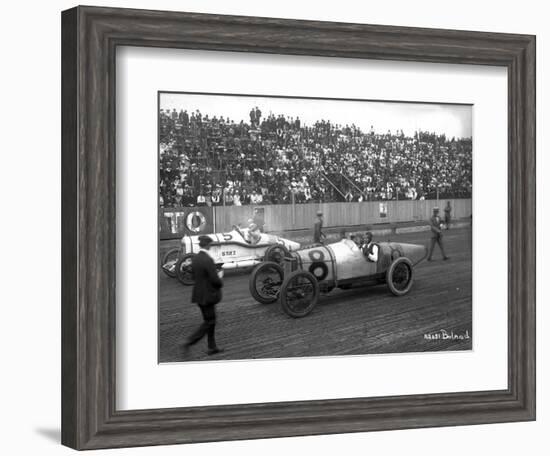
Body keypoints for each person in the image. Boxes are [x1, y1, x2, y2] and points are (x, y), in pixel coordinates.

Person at [182, 236, 224, 356]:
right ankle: (189, 341)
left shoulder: (195, 258)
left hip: (198, 295)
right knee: (209, 322)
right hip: (208, 296)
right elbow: (215, 280)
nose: (211, 245)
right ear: (207, 245)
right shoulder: (208, 260)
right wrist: (220, 279)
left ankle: (212, 347)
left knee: (210, 321)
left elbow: (194, 277)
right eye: (210, 244)